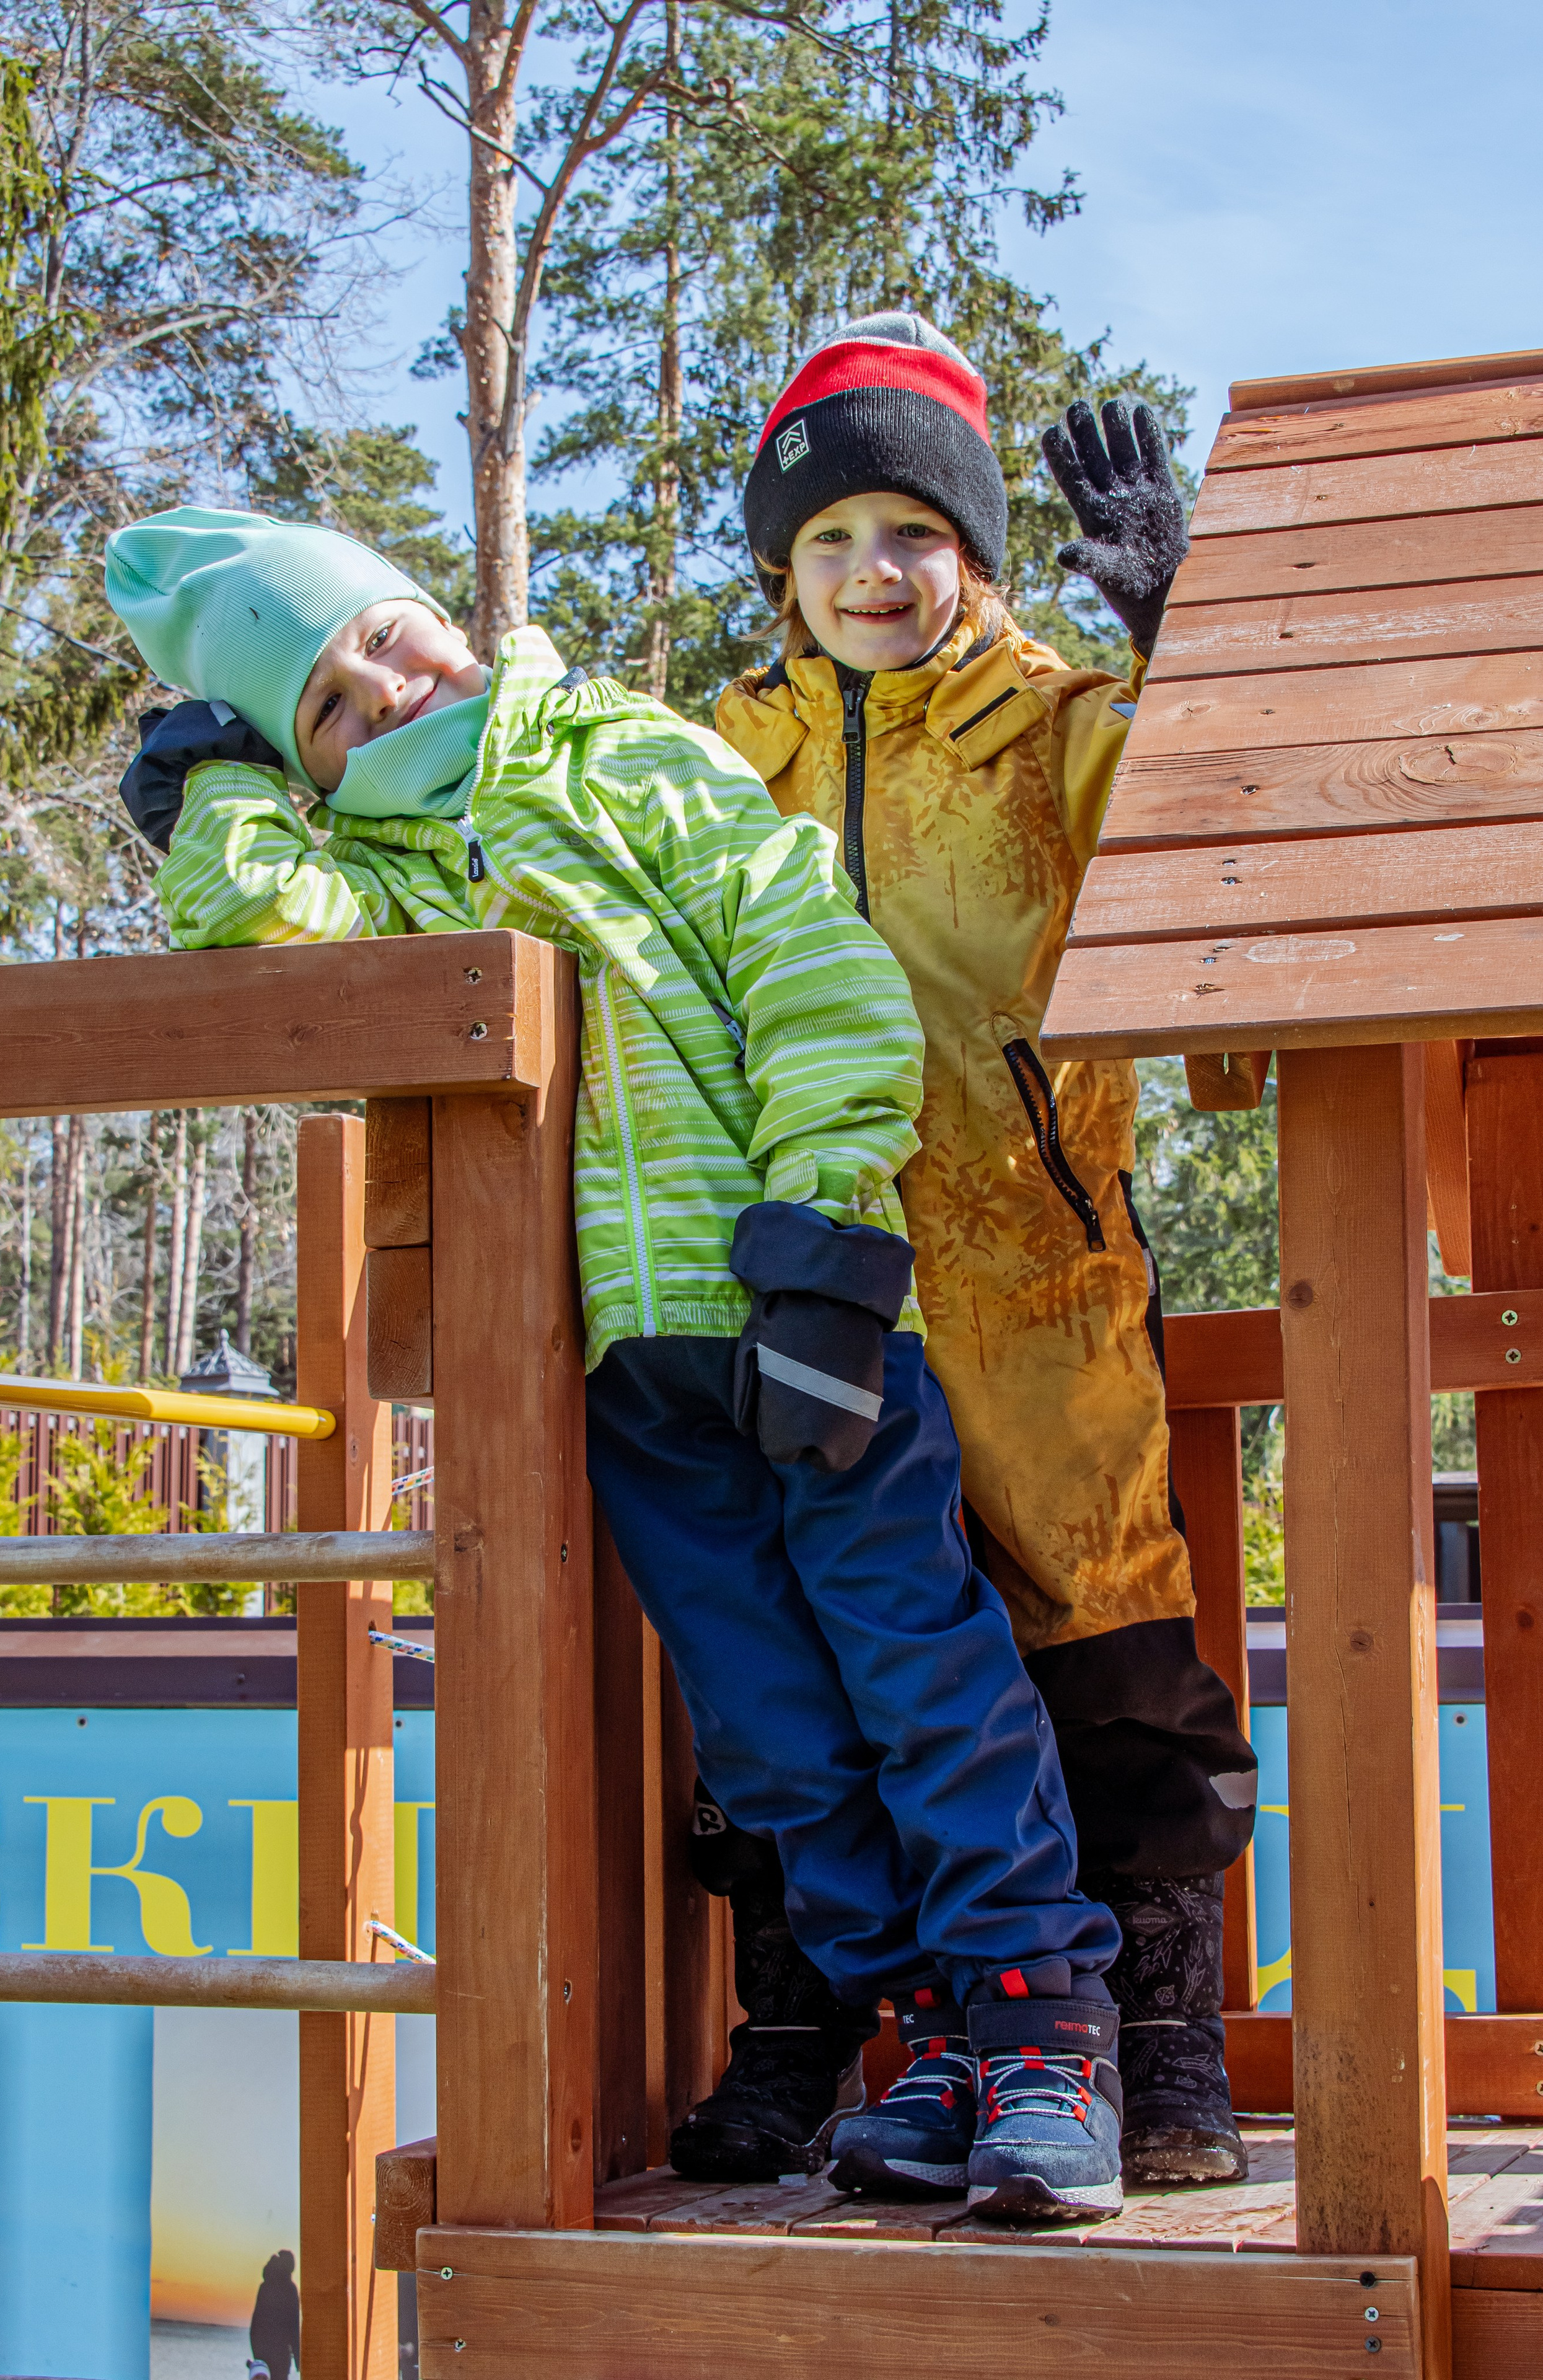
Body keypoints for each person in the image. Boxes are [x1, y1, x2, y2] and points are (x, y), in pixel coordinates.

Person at [104, 505, 1129, 2221]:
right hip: (632, 1371)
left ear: (445, 613)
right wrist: (214, 789)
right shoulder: (389, 870)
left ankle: (1044, 2035)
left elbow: (803, 952)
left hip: (798, 1305)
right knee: (778, 1730)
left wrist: (826, 1225)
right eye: (329, 709)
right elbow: (258, 928)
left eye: (388, 634)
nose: (383, 686)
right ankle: (929, 2038)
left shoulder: (618, 753)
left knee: (921, 1675)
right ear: (308, 766)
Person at [682, 312, 1260, 2196]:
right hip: (803, 1267)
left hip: (1030, 1265)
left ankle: (1159, 2032)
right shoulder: (710, 755)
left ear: (980, 551)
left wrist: (1185, 628)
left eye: (913, 534)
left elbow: (1227, 822)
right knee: (810, 1656)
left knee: (1091, 1633)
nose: (872, 574)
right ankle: (815, 2022)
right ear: (782, 568)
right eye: (829, 540)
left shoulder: (1061, 725)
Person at [248, 2249, 299, 2380]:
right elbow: (294, 2326)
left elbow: (255, 2324)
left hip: (263, 2352)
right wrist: (299, 2359)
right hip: (280, 2354)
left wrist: (257, 2354)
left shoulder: (265, 2287)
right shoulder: (290, 2289)